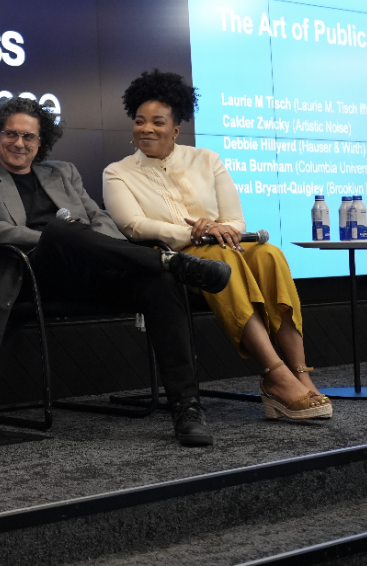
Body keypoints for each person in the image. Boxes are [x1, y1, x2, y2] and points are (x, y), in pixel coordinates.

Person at [0, 97, 234, 447]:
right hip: (34, 276)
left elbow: (99, 217)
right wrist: (55, 238)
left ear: (41, 142)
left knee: (160, 283)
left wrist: (87, 243)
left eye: (29, 137)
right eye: (11, 134)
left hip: (89, 271)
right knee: (63, 229)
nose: (19, 143)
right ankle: (170, 260)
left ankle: (186, 406)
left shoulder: (62, 172)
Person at [102, 70, 332, 422]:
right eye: (139, 121)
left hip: (225, 247)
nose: (146, 128)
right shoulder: (117, 172)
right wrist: (197, 234)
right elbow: (133, 226)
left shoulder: (207, 159)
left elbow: (236, 221)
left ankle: (300, 373)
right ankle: (275, 374)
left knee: (269, 254)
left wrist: (220, 229)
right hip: (174, 260)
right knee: (220, 255)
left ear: (176, 129)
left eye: (157, 122)